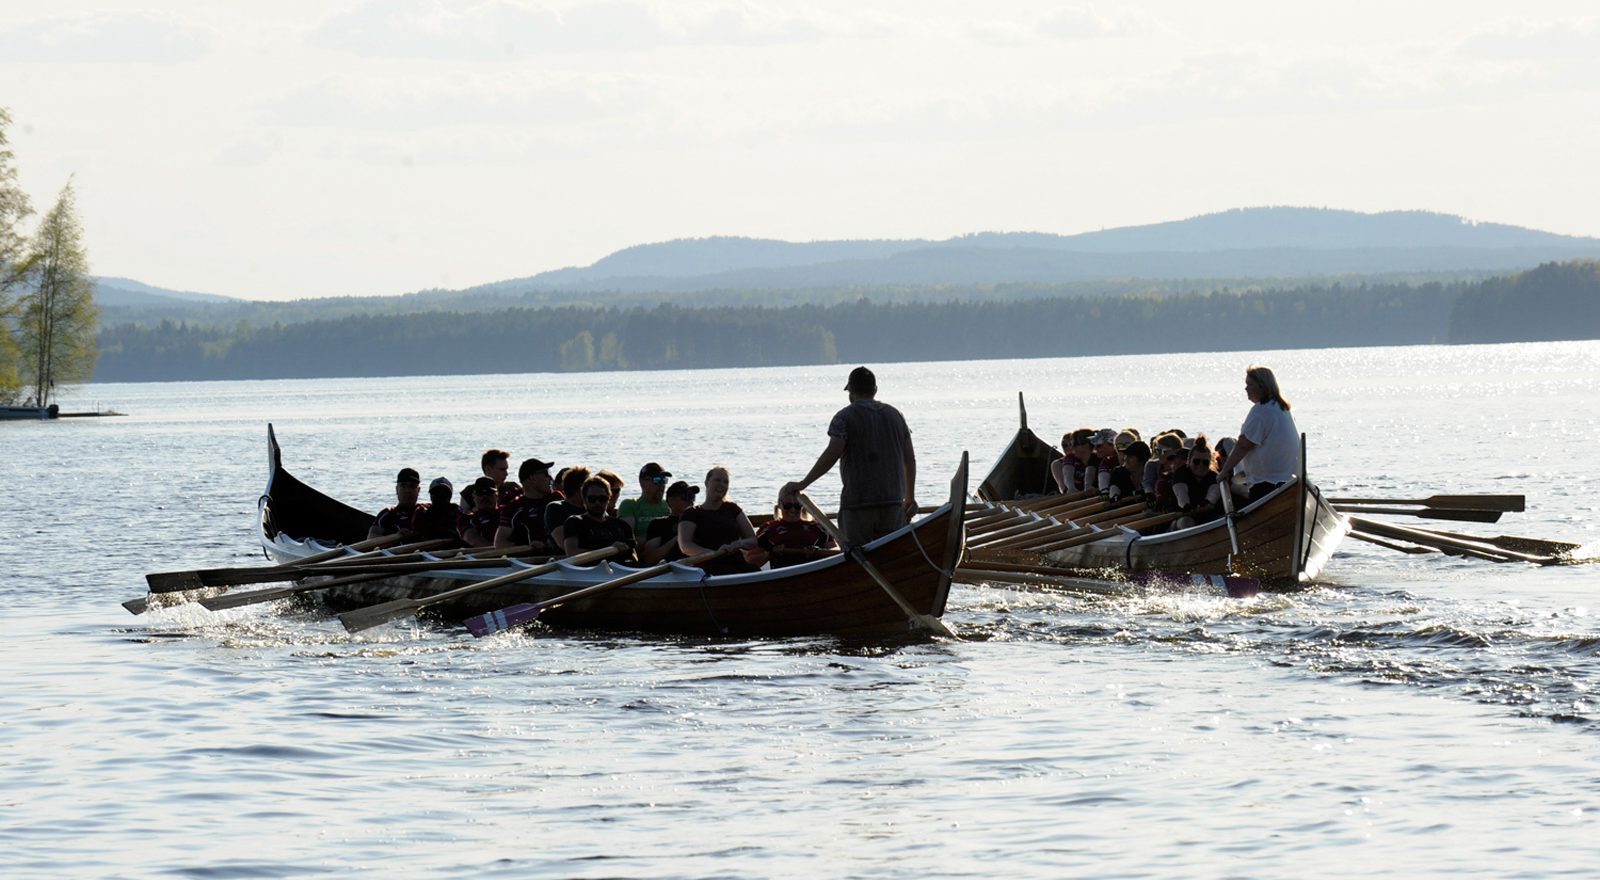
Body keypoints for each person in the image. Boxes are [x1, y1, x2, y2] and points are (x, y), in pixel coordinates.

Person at [782, 366, 916, 546]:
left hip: (857, 506)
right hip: (893, 504)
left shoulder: (844, 417)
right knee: (891, 554)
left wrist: (803, 484)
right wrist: (909, 498)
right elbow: (909, 459)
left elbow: (832, 454)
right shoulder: (896, 416)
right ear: (875, 390)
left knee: (856, 556)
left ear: (851, 391)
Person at [1218, 365, 1299, 502]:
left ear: (1262, 386)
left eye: (1250, 384)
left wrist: (1224, 471)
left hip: (1267, 484)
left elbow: (1243, 445)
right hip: (1290, 482)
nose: (1246, 388)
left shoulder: (1261, 411)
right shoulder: (1282, 408)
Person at [680, 466, 759, 574]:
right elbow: (685, 546)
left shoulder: (733, 509)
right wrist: (714, 553)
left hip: (737, 563)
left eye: (725, 482)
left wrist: (738, 544)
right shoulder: (691, 513)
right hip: (708, 568)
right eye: (717, 480)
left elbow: (753, 540)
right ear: (706, 483)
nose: (722, 484)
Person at [747, 487, 836, 569]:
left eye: (797, 506)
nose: (793, 510)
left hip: (813, 571)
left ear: (802, 506)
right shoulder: (768, 529)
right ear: (780, 505)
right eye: (788, 506)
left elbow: (835, 553)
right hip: (782, 574)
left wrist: (817, 552)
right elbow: (750, 561)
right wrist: (770, 553)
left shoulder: (818, 528)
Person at [562, 476, 637, 563]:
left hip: (620, 569)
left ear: (609, 499)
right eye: (592, 499)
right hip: (590, 570)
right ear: (584, 499)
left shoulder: (622, 526)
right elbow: (572, 554)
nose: (597, 503)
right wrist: (609, 550)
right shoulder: (575, 522)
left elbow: (634, 558)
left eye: (602, 499)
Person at [495, 457, 558, 552]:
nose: (550, 478)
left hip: (560, 553)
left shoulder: (556, 498)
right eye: (545, 474)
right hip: (533, 557)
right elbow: (499, 543)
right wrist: (528, 547)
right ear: (531, 478)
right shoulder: (513, 508)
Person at [640, 480, 697, 564]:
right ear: (671, 500)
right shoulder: (659, 524)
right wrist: (678, 539)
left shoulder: (698, 522)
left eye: (692, 497)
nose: (691, 501)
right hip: (670, 567)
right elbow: (650, 558)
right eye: (686, 497)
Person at [619, 462, 672, 540]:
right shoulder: (630, 505)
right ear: (642, 482)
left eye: (664, 480)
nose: (662, 485)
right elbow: (628, 541)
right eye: (657, 480)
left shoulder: (670, 505)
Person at [368, 468, 424, 540]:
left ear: (418, 490)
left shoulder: (425, 512)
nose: (407, 490)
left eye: (412, 486)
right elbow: (371, 540)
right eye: (403, 485)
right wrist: (397, 536)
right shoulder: (386, 515)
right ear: (397, 489)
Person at [544, 465, 591, 550]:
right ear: (580, 489)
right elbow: (563, 543)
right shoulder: (556, 508)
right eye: (589, 487)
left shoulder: (591, 508)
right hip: (567, 557)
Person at [410, 477, 463, 542]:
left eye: (443, 494)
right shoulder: (423, 511)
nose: (439, 497)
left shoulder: (456, 512)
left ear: (450, 496)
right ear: (431, 496)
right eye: (436, 493)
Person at [458, 477, 501, 547]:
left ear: (497, 495)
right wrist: (500, 548)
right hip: (485, 552)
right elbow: (472, 540)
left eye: (489, 492)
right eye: (480, 493)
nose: (485, 496)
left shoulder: (506, 513)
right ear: (474, 496)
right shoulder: (466, 519)